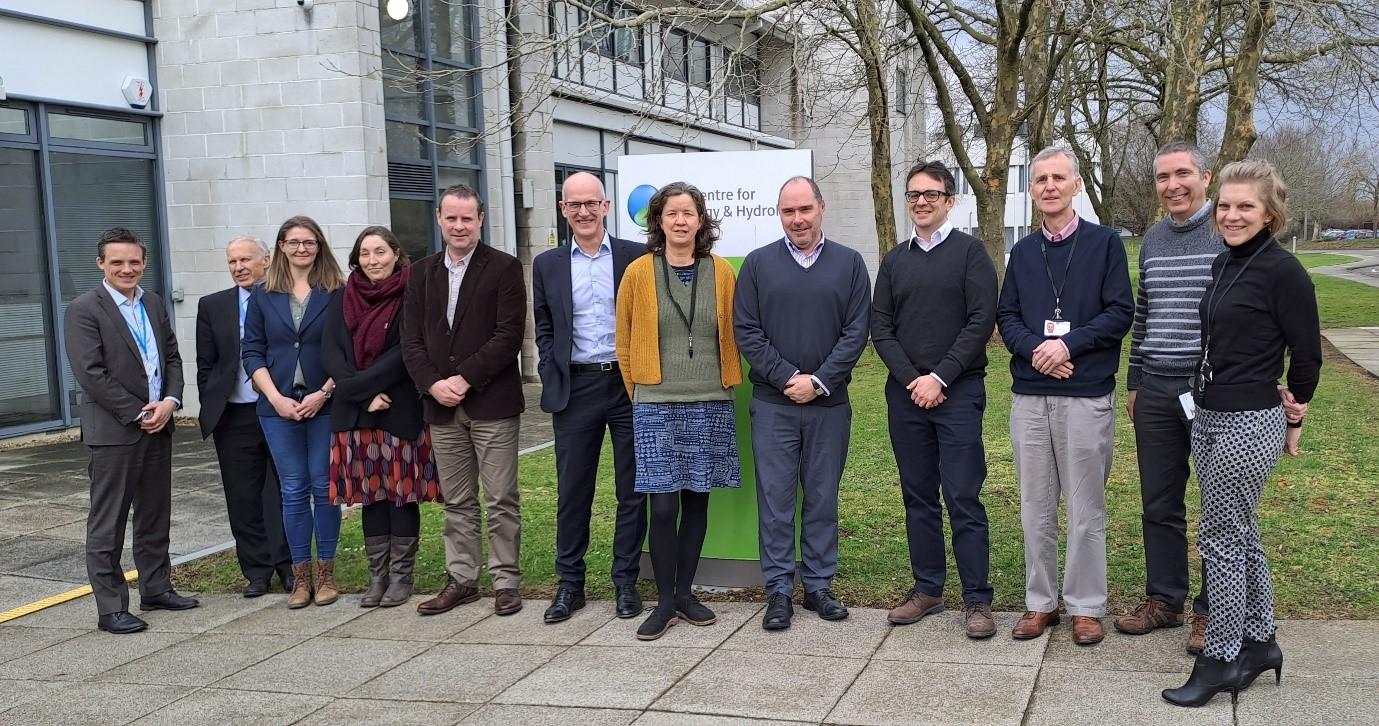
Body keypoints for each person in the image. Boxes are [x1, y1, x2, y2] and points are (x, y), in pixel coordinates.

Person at [1162, 159, 1321, 707]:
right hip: (1207, 413)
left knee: (1220, 540)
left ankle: (1222, 658)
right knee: (1241, 531)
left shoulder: (1283, 272)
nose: (1231, 215)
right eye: (1225, 205)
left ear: (1270, 213)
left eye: (1245, 206)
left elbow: (1307, 355)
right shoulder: (1225, 264)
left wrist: (1293, 417)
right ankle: (1262, 642)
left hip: (1249, 421)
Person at [997, 146, 1133, 646]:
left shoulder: (1105, 246)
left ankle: (1085, 606)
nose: (1049, 186)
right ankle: (1040, 603)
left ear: (1077, 185)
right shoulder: (1023, 253)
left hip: (1085, 394)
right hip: (1031, 395)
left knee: (1084, 507)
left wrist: (1066, 345)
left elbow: (1120, 312)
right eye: (1040, 180)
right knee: (1035, 506)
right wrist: (1038, 350)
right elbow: (1006, 316)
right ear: (1031, 192)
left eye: (1059, 178)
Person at [734, 176, 870, 631]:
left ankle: (817, 586)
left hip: (829, 407)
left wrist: (819, 381)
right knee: (775, 500)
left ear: (821, 208)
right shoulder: (757, 265)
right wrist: (788, 377)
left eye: (805, 209)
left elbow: (857, 332)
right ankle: (778, 590)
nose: (798, 219)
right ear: (780, 214)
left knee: (822, 499)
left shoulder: (850, 264)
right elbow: (747, 331)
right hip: (774, 406)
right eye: (789, 211)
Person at [872, 161, 999, 638]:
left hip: (958, 394)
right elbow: (879, 328)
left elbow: (980, 321)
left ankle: (977, 600)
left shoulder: (971, 254)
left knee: (963, 495)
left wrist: (940, 378)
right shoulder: (894, 260)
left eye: (931, 194)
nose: (920, 202)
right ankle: (927, 588)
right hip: (907, 398)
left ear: (950, 200)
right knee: (918, 495)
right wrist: (913, 380)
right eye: (913, 194)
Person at [615, 181, 743, 641]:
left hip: (710, 401)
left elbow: (734, 331)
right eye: (672, 213)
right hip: (656, 404)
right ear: (659, 221)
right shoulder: (638, 273)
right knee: (663, 506)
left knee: (697, 502)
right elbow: (624, 342)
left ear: (701, 220)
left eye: (689, 213)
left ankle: (685, 594)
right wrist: (641, 393)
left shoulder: (722, 272)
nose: (681, 221)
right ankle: (664, 601)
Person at [64, 227, 199, 634]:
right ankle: (110, 608)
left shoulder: (153, 302)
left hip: (160, 424)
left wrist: (171, 402)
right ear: (101, 264)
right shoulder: (85, 308)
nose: (127, 268)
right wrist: (139, 413)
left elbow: (172, 357)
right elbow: (91, 374)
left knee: (155, 515)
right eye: (117, 262)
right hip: (115, 432)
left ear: (144, 263)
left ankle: (156, 588)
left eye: (134, 261)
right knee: (109, 522)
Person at [402, 184, 526, 617]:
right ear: (439, 218)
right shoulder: (420, 273)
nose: (459, 225)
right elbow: (411, 339)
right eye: (451, 218)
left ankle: (506, 581)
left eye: (467, 218)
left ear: (480, 219)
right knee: (457, 501)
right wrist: (434, 385)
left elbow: (508, 336)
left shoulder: (505, 268)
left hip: (491, 403)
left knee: (500, 498)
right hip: (440, 406)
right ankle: (462, 579)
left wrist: (464, 378)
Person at [532, 172, 648, 624]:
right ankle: (570, 585)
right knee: (573, 490)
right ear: (563, 210)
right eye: (573, 204)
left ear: (605, 206)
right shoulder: (548, 265)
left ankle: (626, 582)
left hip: (626, 384)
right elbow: (544, 327)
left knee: (631, 489)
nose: (582, 211)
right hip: (575, 387)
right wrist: (549, 368)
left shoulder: (635, 257)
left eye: (591, 203)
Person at [323, 226, 440, 609]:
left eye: (380, 252)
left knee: (400, 497)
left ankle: (402, 579)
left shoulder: (412, 295)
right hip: (357, 414)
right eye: (365, 253)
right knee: (370, 497)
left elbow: (407, 352)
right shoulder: (341, 298)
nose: (373, 260)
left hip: (398, 408)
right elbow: (332, 354)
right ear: (356, 259)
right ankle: (377, 579)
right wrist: (362, 395)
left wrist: (362, 389)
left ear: (395, 254)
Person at [241, 215, 345, 609]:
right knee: (293, 489)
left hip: (325, 404)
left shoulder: (336, 291)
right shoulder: (263, 294)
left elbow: (347, 350)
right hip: (277, 407)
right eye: (293, 242)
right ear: (281, 246)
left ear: (319, 246)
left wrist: (323, 392)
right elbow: (251, 350)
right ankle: (301, 578)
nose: (302, 248)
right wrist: (276, 398)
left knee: (325, 487)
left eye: (309, 242)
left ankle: (326, 574)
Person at [196, 237, 293, 598]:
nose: (239, 267)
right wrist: (212, 401)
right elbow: (206, 364)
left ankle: (288, 566)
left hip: (279, 410)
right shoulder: (213, 305)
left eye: (246, 259)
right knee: (242, 497)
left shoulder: (284, 298)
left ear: (266, 261)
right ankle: (256, 571)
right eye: (232, 261)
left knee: (284, 491)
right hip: (234, 415)